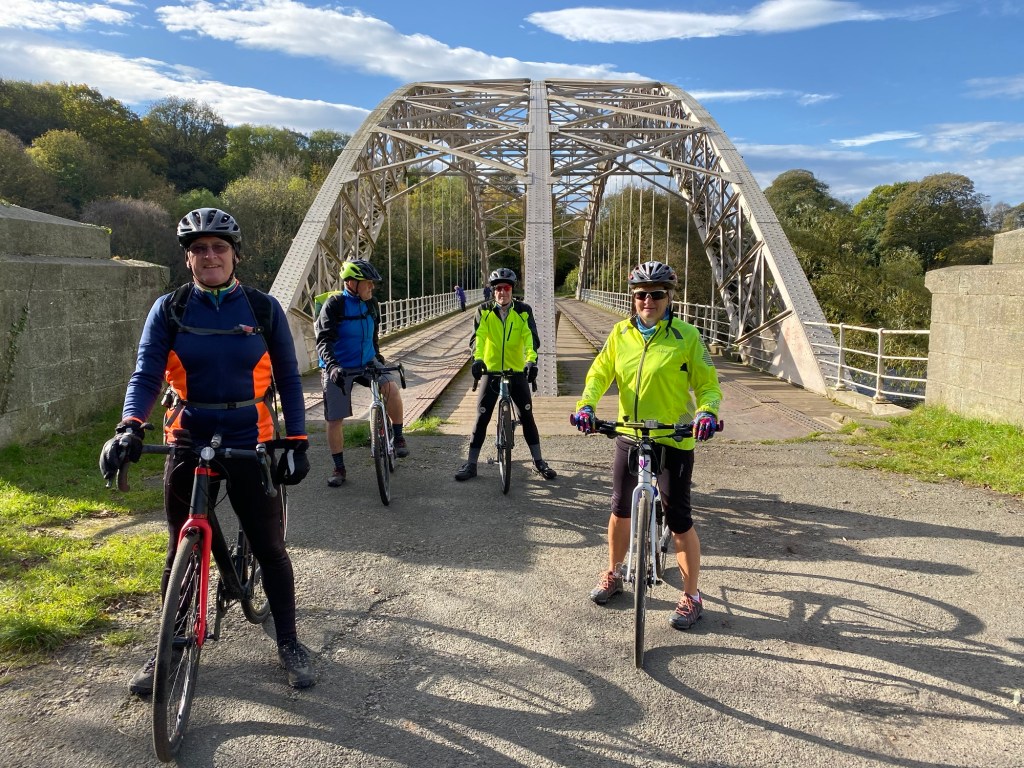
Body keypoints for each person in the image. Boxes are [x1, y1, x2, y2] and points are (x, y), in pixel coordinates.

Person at [99, 207, 315, 692]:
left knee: (269, 546)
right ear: (188, 258)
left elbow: (288, 378)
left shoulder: (262, 309)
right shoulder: (170, 308)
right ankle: (170, 647)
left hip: (250, 437)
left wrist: (297, 441)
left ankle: (289, 642)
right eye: (199, 249)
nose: (210, 256)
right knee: (179, 545)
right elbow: (147, 373)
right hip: (188, 434)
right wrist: (130, 426)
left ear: (236, 255)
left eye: (219, 247)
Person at [574, 260, 722, 630]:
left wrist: (706, 412)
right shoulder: (620, 334)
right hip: (630, 432)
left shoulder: (687, 336)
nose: (648, 301)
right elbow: (599, 373)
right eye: (641, 294)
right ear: (633, 298)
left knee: (679, 519)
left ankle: (692, 596)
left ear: (669, 298)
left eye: (657, 294)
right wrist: (586, 405)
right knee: (620, 509)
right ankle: (614, 572)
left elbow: (708, 384)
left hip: (673, 437)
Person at [454, 267, 557, 482]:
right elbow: (478, 337)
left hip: (517, 370)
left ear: (512, 290)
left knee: (526, 416)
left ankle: (539, 461)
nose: (503, 292)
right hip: (490, 370)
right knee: (482, 416)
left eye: (507, 288)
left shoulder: (523, 310)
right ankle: (471, 464)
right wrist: (478, 359)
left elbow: (530, 338)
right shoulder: (484, 311)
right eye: (498, 288)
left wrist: (531, 360)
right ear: (493, 291)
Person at [315, 259, 408, 487]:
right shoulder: (335, 305)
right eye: (368, 282)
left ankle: (398, 437)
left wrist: (377, 356)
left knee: (391, 388)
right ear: (351, 283)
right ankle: (339, 468)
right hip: (338, 366)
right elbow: (324, 340)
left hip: (367, 361)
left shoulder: (371, 303)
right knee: (334, 418)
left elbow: (372, 334)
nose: (372, 287)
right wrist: (332, 366)